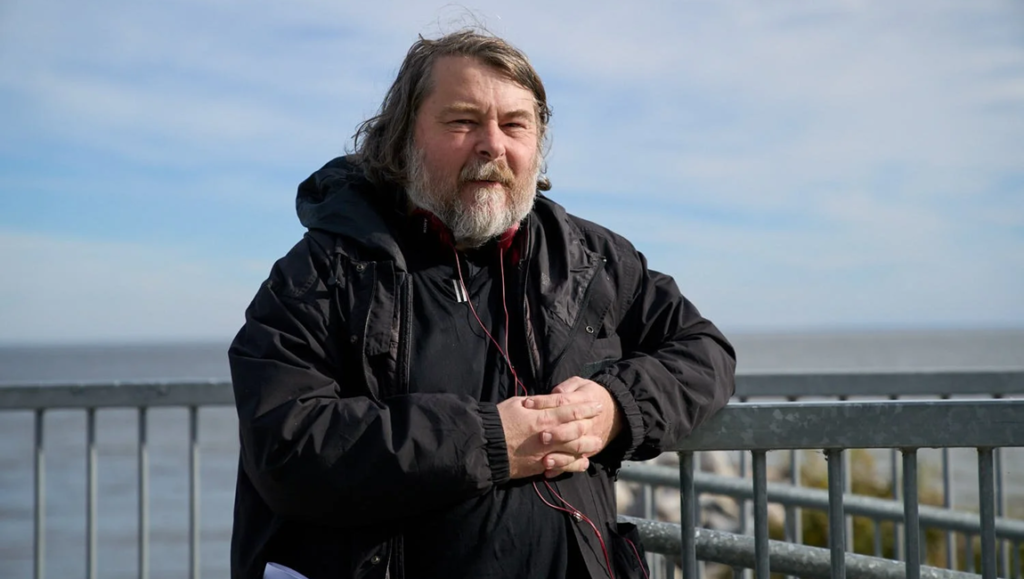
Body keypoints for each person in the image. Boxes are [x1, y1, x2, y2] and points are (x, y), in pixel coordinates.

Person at [228, 28, 736, 579]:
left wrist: (616, 408)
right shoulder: (323, 271)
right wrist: (489, 441)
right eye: (463, 121)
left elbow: (704, 352)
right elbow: (285, 444)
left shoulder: (592, 260)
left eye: (515, 124)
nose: (492, 144)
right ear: (402, 140)